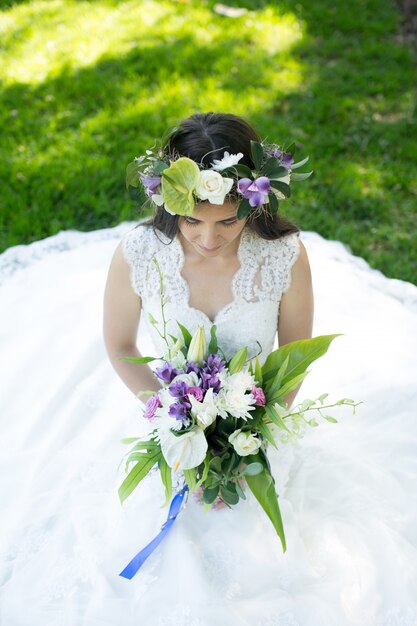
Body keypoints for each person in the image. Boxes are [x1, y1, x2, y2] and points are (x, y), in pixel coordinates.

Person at [1, 113, 416, 626]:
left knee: (266, 557)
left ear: (253, 205)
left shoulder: (284, 257)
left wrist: (251, 441)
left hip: (256, 424)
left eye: (227, 222)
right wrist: (174, 427)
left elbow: (294, 359)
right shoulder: (140, 255)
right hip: (165, 416)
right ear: (169, 205)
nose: (208, 238)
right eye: (192, 220)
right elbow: (119, 343)